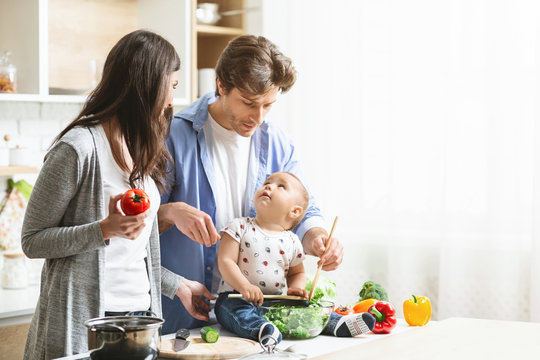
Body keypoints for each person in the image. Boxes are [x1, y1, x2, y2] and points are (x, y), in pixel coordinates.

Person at [21, 30, 214, 359]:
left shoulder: (142, 149)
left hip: (141, 318)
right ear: (146, 86)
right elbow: (33, 240)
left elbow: (132, 254)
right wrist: (104, 229)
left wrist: (178, 287)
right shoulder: (79, 148)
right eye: (171, 87)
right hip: (86, 322)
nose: (172, 100)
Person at [158, 34, 345, 333]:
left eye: (268, 106)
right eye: (249, 103)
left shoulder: (278, 143)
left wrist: (316, 237)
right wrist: (169, 212)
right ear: (221, 85)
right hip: (185, 314)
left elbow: (302, 209)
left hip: (257, 315)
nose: (258, 117)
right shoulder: (173, 136)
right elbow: (136, 228)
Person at [215, 172, 375, 344]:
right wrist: (244, 286)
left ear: (295, 211)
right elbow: (226, 261)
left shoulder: (292, 240)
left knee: (307, 308)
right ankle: (262, 331)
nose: (268, 186)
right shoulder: (238, 226)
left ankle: (337, 323)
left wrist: (296, 289)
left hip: (273, 302)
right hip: (236, 297)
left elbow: (296, 273)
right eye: (267, 182)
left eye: (281, 186)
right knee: (238, 312)